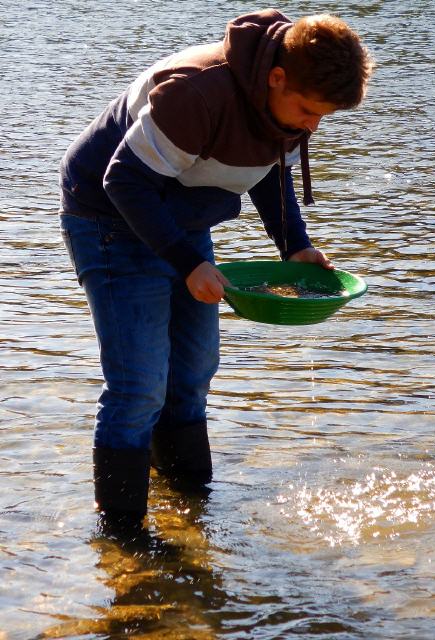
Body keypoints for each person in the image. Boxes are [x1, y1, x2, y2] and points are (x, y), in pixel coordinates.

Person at [59, 9, 373, 524]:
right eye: (308, 111)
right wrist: (188, 263)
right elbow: (124, 182)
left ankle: (189, 508)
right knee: (139, 387)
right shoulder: (197, 95)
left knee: (194, 369)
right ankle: (122, 537)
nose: (313, 126)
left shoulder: (287, 105)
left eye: (323, 117)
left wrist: (295, 246)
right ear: (277, 78)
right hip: (107, 216)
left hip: (179, 215)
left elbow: (269, 172)